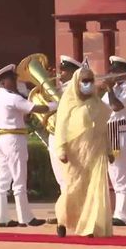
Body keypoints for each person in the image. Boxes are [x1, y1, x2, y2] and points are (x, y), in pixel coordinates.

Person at [0, 64, 56, 228]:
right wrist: (57, 105)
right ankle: (25, 218)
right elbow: (36, 108)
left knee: (3, 180)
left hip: (2, 138)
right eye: (12, 79)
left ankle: (2, 218)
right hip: (14, 139)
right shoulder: (12, 98)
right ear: (4, 82)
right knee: (19, 179)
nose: (15, 82)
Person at [55, 67, 114, 238]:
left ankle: (90, 226)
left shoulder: (98, 104)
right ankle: (62, 220)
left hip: (96, 151)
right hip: (75, 154)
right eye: (84, 81)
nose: (88, 84)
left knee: (95, 190)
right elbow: (61, 128)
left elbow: (104, 129)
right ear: (77, 82)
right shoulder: (68, 102)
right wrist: (61, 150)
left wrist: (109, 150)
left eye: (90, 81)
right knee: (73, 189)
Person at [46, 55, 82, 225]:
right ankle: (64, 212)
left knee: (69, 177)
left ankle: (73, 212)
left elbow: (61, 106)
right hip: (55, 135)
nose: (61, 74)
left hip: (67, 137)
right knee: (61, 178)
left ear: (73, 72)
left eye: (64, 71)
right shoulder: (61, 88)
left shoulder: (74, 88)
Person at [101, 56, 126, 226]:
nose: (111, 75)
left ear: (124, 73)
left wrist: (108, 88)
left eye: (115, 72)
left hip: (119, 133)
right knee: (114, 177)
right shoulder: (111, 90)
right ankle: (117, 212)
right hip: (108, 134)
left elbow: (117, 107)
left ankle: (123, 215)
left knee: (120, 176)